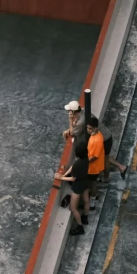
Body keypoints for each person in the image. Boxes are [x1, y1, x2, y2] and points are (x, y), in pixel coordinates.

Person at [53, 99, 91, 236]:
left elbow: (73, 176)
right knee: (86, 200)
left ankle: (80, 226)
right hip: (86, 182)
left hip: (78, 186)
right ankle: (86, 217)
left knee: (73, 207)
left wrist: (61, 177)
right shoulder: (86, 160)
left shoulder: (78, 164)